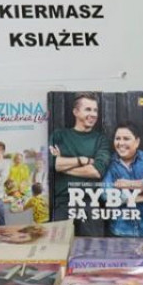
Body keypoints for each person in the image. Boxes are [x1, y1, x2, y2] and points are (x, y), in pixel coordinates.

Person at [49, 92, 111, 236]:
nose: (93, 114)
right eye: (88, 109)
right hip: (63, 203)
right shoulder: (59, 135)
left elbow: (96, 171)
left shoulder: (101, 139)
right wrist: (83, 160)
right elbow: (51, 163)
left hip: (90, 203)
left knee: (94, 247)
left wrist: (63, 166)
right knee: (60, 246)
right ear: (76, 112)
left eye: (95, 110)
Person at [102, 123, 143, 237]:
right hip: (121, 231)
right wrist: (137, 196)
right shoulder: (109, 163)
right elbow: (106, 194)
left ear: (137, 142)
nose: (121, 143)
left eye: (126, 139)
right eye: (117, 138)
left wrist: (128, 184)